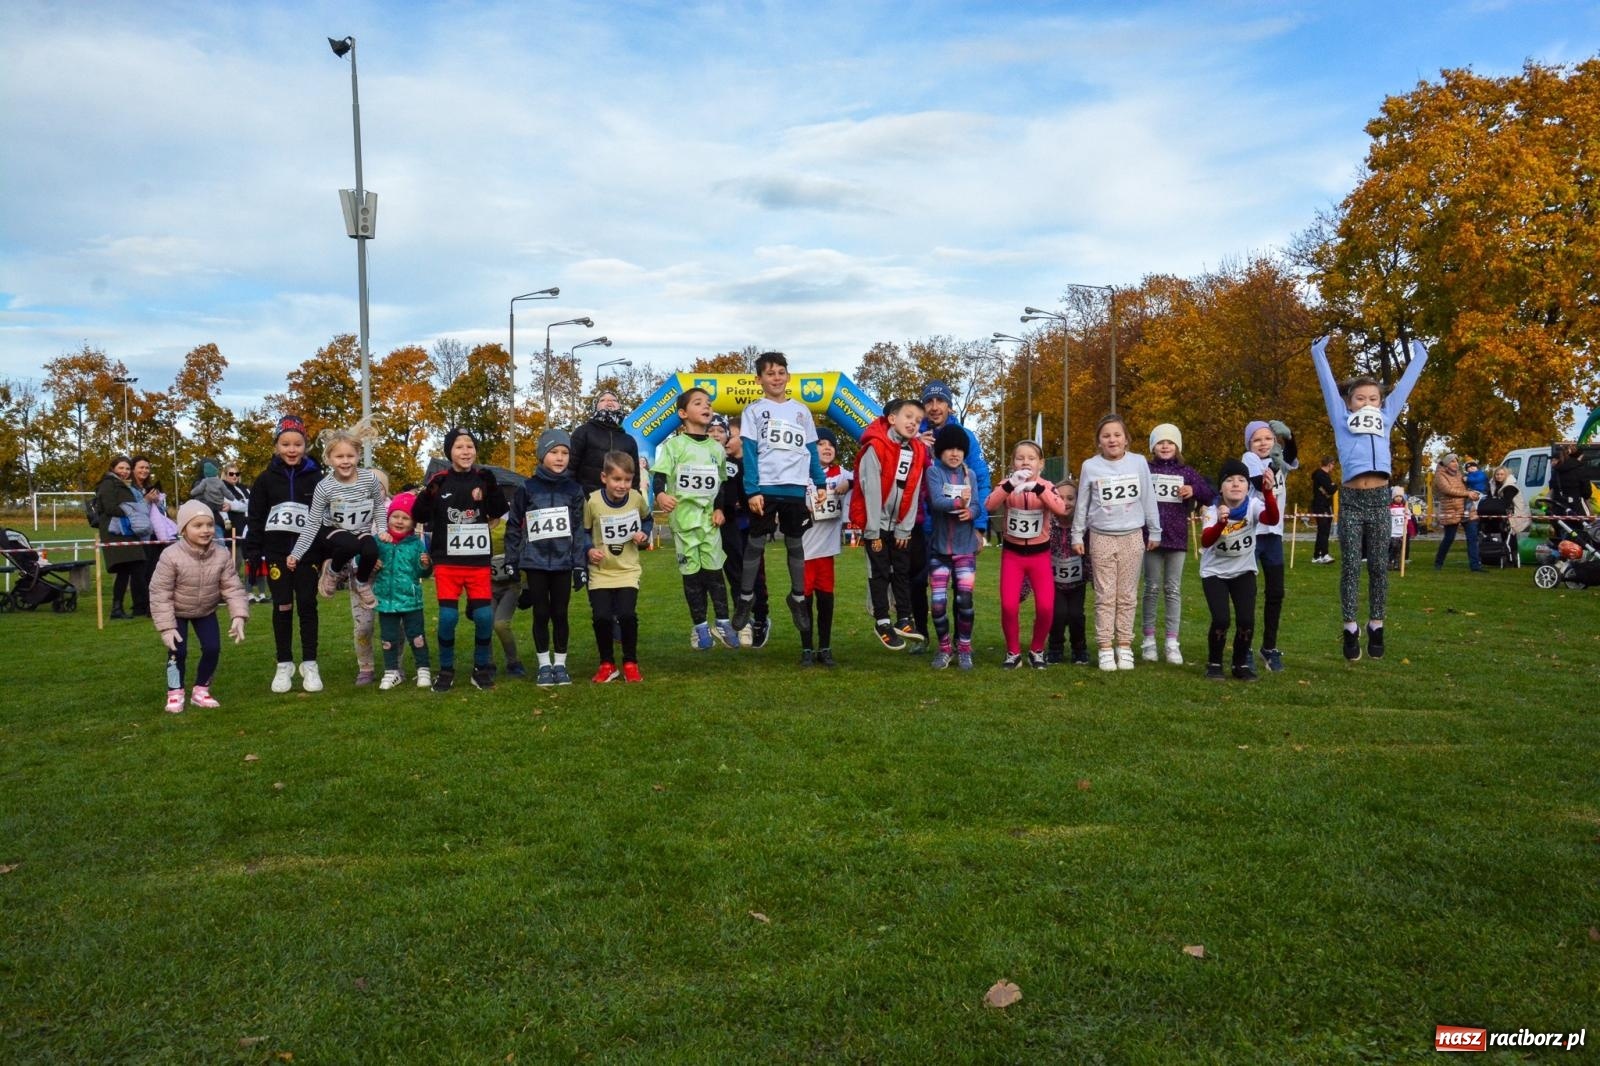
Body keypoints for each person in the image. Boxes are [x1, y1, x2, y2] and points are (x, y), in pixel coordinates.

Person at [1311, 336, 1431, 661]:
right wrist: (1317, 352)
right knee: (1350, 565)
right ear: (1349, 402)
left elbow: (1405, 388)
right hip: (1351, 499)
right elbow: (1327, 386)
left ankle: (1376, 623)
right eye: (1360, 398)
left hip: (1379, 499)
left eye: (1373, 398)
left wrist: (1420, 354)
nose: (1367, 402)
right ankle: (1350, 627)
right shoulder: (1341, 419)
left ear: (1381, 402)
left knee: (1379, 565)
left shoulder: (1387, 417)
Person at [731, 351, 829, 648]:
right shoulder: (753, 411)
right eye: (770, 373)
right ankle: (745, 598)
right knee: (756, 542)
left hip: (795, 488)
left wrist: (820, 482)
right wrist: (752, 490)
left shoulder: (801, 411)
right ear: (759, 379)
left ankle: (797, 597)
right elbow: (748, 451)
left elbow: (811, 451)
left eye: (781, 372)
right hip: (766, 486)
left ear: (788, 376)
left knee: (795, 543)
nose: (776, 377)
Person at [412, 426, 509, 692]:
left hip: (477, 561)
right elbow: (418, 514)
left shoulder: (484, 478)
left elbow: (499, 510)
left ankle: (481, 667)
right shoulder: (440, 480)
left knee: (485, 617)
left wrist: (493, 487)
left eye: (470, 446)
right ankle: (446, 669)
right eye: (459, 446)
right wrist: (427, 492)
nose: (465, 451)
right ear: (449, 452)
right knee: (447, 618)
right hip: (447, 561)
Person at [652, 389, 740, 653]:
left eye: (709, 403)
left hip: (709, 523)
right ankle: (700, 626)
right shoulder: (674, 446)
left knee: (714, 572)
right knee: (692, 575)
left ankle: (723, 622)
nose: (706, 407)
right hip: (684, 523)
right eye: (698, 403)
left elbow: (721, 483)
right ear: (683, 413)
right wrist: (661, 495)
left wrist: (719, 509)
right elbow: (659, 476)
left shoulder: (716, 448)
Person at [1072, 416, 1161, 672]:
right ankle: (1104, 647)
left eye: (1117, 435)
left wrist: (1154, 530)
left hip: (1132, 536)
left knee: (1127, 595)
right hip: (1101, 536)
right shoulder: (1090, 466)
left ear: (1126, 439)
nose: (1112, 439)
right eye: (1106, 436)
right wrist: (1077, 535)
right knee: (1104, 595)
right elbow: (1083, 503)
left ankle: (1124, 645)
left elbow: (1147, 497)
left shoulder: (1138, 462)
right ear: (1099, 441)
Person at [244, 416, 324, 692]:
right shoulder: (265, 480)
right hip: (277, 552)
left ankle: (310, 663)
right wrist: (252, 551)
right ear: (277, 446)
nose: (292, 449)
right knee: (282, 605)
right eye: (286, 444)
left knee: (307, 604)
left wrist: (324, 551)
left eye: (297, 444)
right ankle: (284, 663)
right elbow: (255, 516)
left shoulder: (317, 478)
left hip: (307, 554)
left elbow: (325, 517)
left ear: (305, 445)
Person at [503, 428, 588, 687]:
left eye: (564, 453)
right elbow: (514, 525)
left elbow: (578, 529)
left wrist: (579, 564)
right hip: (535, 562)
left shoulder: (574, 489)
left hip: (563, 562)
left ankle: (560, 664)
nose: (560, 458)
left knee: (560, 613)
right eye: (554, 452)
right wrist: (511, 560)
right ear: (543, 456)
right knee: (540, 613)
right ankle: (544, 665)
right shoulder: (527, 488)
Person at [149, 500, 248, 712]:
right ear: (184, 529)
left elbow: (233, 587)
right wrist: (167, 627)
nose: (205, 530)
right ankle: (175, 692)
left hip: (206, 611)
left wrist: (239, 615)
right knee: (178, 652)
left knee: (213, 649)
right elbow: (160, 592)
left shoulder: (221, 554)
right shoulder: (170, 555)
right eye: (198, 525)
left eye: (209, 525)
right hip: (177, 612)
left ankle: (201, 689)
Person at [852, 398, 932, 651]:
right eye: (908, 417)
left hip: (899, 525)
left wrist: (905, 528)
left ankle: (904, 618)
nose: (913, 423)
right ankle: (882, 621)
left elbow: (914, 488)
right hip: (876, 523)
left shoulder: (917, 450)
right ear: (892, 418)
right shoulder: (875, 447)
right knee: (879, 572)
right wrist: (873, 530)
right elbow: (871, 490)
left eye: (918, 421)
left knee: (902, 570)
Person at [915, 380, 991, 641]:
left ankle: (961, 642)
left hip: (960, 528)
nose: (934, 407)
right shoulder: (914, 433)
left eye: (940, 402)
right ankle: (922, 637)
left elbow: (980, 480)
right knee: (920, 584)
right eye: (929, 402)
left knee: (962, 589)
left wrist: (979, 526)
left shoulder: (965, 437)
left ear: (949, 405)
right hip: (922, 524)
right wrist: (915, 445)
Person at [287, 427, 385, 614]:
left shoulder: (369, 479)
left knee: (371, 551)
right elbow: (313, 522)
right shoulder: (325, 487)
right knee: (350, 545)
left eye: (350, 456)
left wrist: (382, 530)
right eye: (340, 457)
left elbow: (379, 506)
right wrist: (296, 553)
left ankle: (362, 582)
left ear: (358, 456)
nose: (346, 461)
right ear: (329, 458)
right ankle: (332, 571)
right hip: (332, 529)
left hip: (360, 529)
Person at [990, 440, 1069, 669]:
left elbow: (1061, 509)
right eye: (1020, 458)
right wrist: (1008, 486)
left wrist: (1038, 489)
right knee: (1008, 605)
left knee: (1045, 606)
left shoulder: (1047, 485)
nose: (1025, 461)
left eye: (1031, 458)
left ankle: (1037, 650)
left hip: (1039, 556)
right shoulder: (1007, 484)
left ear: (1040, 463)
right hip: (1013, 556)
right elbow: (989, 505)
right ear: (1013, 462)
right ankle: (1013, 652)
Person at [1199, 459, 1278, 682]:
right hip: (1214, 573)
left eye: (1241, 480)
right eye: (1230, 480)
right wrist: (1221, 523)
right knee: (1221, 619)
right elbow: (1206, 541)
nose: (1236, 484)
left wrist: (1269, 493)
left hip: (1243, 571)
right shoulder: (1212, 510)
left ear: (1247, 486)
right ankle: (1215, 664)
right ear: (1221, 487)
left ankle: (1240, 663)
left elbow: (1272, 519)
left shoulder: (1253, 505)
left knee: (1246, 620)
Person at [1142, 424, 1212, 665]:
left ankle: (1172, 643)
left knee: (1172, 589)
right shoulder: (1145, 468)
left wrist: (1192, 489)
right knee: (1150, 589)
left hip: (1177, 538)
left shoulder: (1186, 471)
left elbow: (1209, 494)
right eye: (1160, 442)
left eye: (1170, 442)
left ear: (1177, 446)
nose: (1165, 446)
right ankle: (1148, 640)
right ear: (1153, 446)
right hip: (1150, 537)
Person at [582, 452, 652, 683]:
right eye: (617, 479)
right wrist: (589, 549)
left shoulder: (636, 498)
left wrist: (644, 533)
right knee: (601, 617)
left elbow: (647, 518)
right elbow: (583, 532)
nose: (622, 485)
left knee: (626, 615)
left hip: (628, 569)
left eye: (627, 480)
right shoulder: (592, 501)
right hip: (601, 570)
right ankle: (607, 664)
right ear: (604, 477)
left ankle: (631, 663)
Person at [1241, 419, 1298, 672]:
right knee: (1249, 593)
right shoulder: (1249, 459)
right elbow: (1257, 483)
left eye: (1268, 438)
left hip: (1273, 536)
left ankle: (1269, 646)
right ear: (1249, 444)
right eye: (1257, 440)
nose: (1263, 443)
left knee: (1276, 593)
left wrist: (1291, 436)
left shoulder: (1279, 457)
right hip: (1254, 533)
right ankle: (1246, 647)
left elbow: (1292, 456)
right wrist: (1275, 463)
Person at [924, 423, 980, 670]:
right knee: (937, 604)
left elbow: (978, 505)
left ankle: (964, 648)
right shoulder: (934, 473)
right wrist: (958, 501)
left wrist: (971, 512)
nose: (954, 453)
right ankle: (944, 647)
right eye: (949, 449)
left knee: (964, 600)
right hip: (939, 551)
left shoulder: (971, 475)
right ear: (941, 452)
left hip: (965, 549)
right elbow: (936, 502)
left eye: (959, 449)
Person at [713, 415, 770, 647]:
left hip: (751, 527)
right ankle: (740, 619)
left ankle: (761, 618)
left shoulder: (755, 463)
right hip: (729, 528)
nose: (724, 439)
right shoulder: (720, 463)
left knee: (756, 574)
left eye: (730, 435)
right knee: (734, 573)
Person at [798, 428, 853, 666]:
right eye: (821, 443)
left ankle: (825, 647)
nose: (827, 448)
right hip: (802, 551)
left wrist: (848, 483)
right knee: (805, 602)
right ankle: (807, 648)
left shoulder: (841, 473)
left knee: (826, 601)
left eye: (831, 444)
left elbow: (864, 474)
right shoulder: (801, 474)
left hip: (826, 552)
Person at [374, 492, 434, 691]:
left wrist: (426, 566)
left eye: (405, 518)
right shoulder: (379, 541)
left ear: (413, 522)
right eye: (395, 516)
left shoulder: (416, 544)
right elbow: (361, 559)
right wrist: (369, 562)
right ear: (388, 517)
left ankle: (423, 669)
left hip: (411, 601)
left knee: (417, 636)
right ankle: (391, 672)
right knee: (388, 639)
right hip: (386, 601)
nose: (399, 521)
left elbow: (421, 573)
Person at [94, 456, 151, 619]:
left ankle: (117, 608)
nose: (125, 472)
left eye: (127, 469)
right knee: (137, 567)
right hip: (115, 532)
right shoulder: (107, 484)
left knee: (126, 571)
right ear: (113, 468)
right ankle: (148, 607)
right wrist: (132, 511)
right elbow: (110, 507)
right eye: (121, 468)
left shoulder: (120, 484)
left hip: (125, 530)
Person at [1046, 480, 1090, 666]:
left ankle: (1079, 649)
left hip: (1077, 581)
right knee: (1057, 613)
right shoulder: (1047, 524)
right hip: (1053, 581)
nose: (1065, 502)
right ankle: (1055, 648)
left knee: (1076, 615)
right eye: (1059, 497)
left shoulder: (1084, 526)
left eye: (1071, 498)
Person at [569, 390, 641, 497]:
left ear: (619, 406)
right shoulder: (582, 432)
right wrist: (574, 498)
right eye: (603, 400)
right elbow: (570, 469)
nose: (609, 402)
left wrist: (635, 500)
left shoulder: (629, 440)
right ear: (595, 407)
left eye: (614, 400)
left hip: (620, 504)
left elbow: (634, 478)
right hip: (586, 502)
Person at [1431, 453, 1481, 572]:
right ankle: (1438, 563)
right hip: (1451, 510)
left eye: (1457, 461)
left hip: (1467, 509)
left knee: (1473, 537)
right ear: (1447, 463)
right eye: (1453, 461)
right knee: (1449, 538)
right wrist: (1467, 493)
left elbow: (1466, 488)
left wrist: (1474, 493)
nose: (1456, 464)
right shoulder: (1439, 475)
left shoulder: (1460, 475)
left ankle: (1475, 566)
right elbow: (1447, 490)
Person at [1549, 442, 1590, 515]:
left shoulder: (1556, 471)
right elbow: (1586, 493)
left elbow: (1552, 488)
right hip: (1576, 511)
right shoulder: (1579, 470)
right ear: (1579, 457)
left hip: (1557, 512)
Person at [1311, 456, 1337, 563]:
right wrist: (1334, 485)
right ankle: (1323, 554)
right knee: (1323, 530)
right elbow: (1330, 489)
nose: (1333, 467)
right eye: (1333, 464)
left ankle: (1318, 554)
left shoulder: (1324, 475)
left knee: (1324, 530)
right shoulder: (1321, 475)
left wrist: (1331, 486)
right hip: (1321, 505)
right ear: (1329, 464)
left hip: (1325, 505)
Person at [1388, 487, 1416, 570]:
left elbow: (1409, 520)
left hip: (1402, 532)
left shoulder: (1405, 508)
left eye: (1400, 496)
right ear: (1393, 497)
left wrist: (1411, 531)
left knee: (1399, 549)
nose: (1399, 498)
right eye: (1396, 496)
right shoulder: (1390, 508)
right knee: (1394, 546)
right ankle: (1389, 560)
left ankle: (1396, 564)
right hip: (1393, 532)